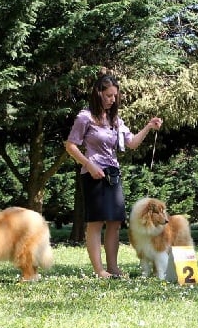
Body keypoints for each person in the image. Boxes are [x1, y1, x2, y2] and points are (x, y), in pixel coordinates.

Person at [64, 71, 163, 279]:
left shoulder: (115, 120)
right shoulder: (85, 117)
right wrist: (88, 164)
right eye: (109, 95)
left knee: (115, 222)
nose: (112, 99)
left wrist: (148, 127)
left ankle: (113, 267)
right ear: (98, 93)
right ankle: (100, 270)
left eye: (115, 96)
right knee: (96, 222)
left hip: (113, 174)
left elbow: (132, 143)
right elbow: (70, 145)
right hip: (93, 174)